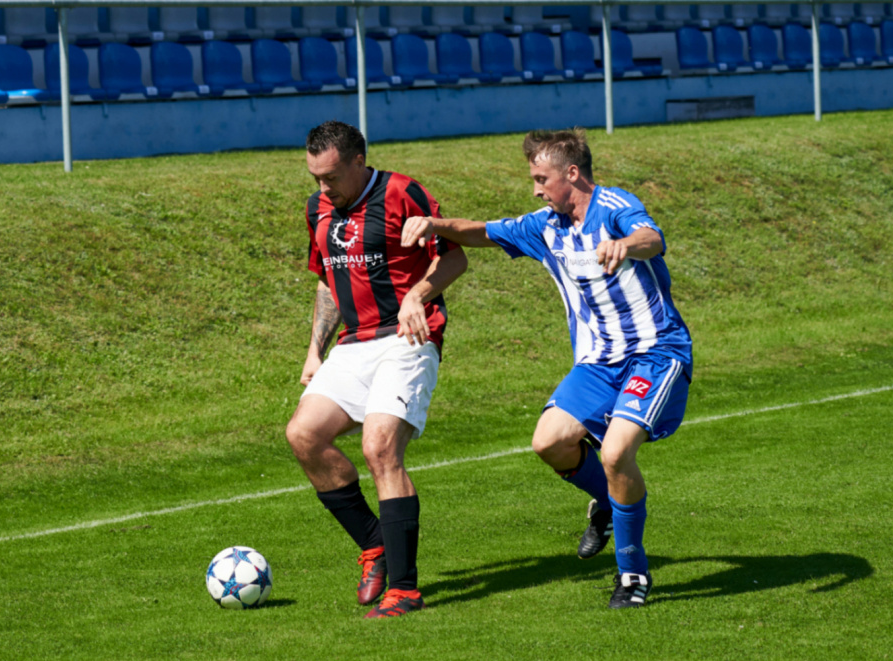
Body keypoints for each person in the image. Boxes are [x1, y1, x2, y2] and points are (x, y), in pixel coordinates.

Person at [400, 128, 692, 608]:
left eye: (541, 179)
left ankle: (633, 575)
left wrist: (626, 245)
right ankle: (607, 504)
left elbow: (652, 237)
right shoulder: (545, 226)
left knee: (616, 453)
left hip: (655, 352)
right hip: (597, 362)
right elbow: (482, 232)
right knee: (550, 442)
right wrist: (436, 224)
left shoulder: (614, 206)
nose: (536, 190)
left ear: (571, 174)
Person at [285, 121, 467, 619]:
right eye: (315, 177)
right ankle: (374, 542)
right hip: (354, 344)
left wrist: (417, 295)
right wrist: (315, 350)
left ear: (359, 161)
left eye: (331, 176)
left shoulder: (403, 193)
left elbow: (454, 260)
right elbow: (327, 281)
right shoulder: (317, 209)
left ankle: (404, 590)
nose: (323, 187)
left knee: (380, 447)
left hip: (408, 338)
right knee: (303, 435)